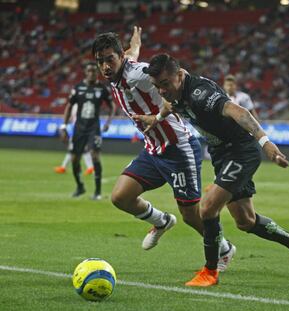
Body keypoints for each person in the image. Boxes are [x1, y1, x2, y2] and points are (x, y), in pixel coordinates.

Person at [136, 53, 289, 287]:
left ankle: (210, 271)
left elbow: (240, 112)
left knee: (208, 208)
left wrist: (266, 144)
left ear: (180, 75)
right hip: (222, 154)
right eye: (157, 86)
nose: (161, 91)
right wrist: (156, 118)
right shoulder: (174, 93)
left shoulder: (201, 94)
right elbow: (170, 105)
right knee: (246, 221)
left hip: (241, 151)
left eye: (165, 84)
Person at [91, 28, 235, 270]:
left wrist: (157, 117)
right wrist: (135, 41)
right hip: (153, 149)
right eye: (100, 62)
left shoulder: (137, 74)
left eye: (109, 59)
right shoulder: (118, 72)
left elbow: (175, 88)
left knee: (191, 215)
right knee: (120, 197)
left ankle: (224, 249)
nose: (105, 66)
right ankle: (162, 221)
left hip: (179, 147)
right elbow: (132, 52)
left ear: (120, 58)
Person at [59, 62, 115, 200]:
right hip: (78, 128)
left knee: (95, 156)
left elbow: (112, 106)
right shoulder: (78, 88)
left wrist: (108, 122)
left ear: (97, 73)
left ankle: (97, 192)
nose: (92, 73)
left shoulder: (102, 89)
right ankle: (80, 186)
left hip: (94, 128)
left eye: (94, 71)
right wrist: (64, 126)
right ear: (85, 72)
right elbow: (69, 106)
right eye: (89, 71)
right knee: (74, 159)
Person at [54, 104, 94, 175]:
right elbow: (73, 118)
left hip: (80, 129)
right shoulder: (76, 105)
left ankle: (63, 167)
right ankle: (90, 168)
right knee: (82, 149)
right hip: (78, 128)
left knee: (73, 149)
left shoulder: (79, 104)